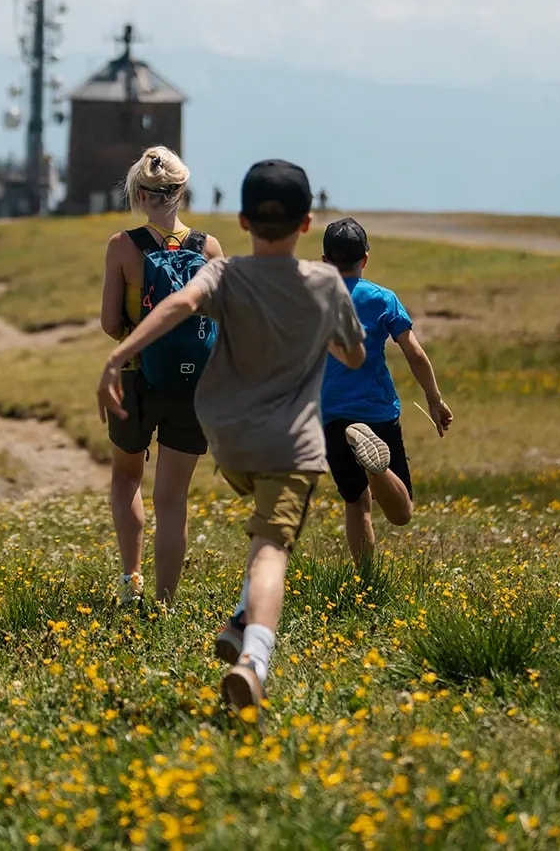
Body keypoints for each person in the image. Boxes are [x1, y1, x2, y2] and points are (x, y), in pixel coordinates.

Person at [98, 160, 365, 724]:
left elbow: (177, 305)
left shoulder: (227, 275)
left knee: (248, 529)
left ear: (243, 220)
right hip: (289, 446)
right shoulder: (324, 285)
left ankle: (239, 619)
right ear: (308, 221)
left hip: (232, 441)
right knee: (270, 550)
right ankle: (252, 659)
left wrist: (121, 354)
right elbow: (354, 355)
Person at [97, 147, 222, 608]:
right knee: (173, 498)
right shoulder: (210, 248)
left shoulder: (122, 246)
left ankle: (131, 583)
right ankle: (165, 604)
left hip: (136, 377)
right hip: (193, 389)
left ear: (140, 193)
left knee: (127, 477)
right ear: (181, 191)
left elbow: (111, 324)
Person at [317, 219, 453, 572]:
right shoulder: (381, 298)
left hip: (331, 415)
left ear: (324, 260)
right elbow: (415, 353)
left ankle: (365, 580)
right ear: (365, 259)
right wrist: (434, 400)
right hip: (377, 411)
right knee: (401, 513)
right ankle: (376, 469)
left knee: (356, 502)